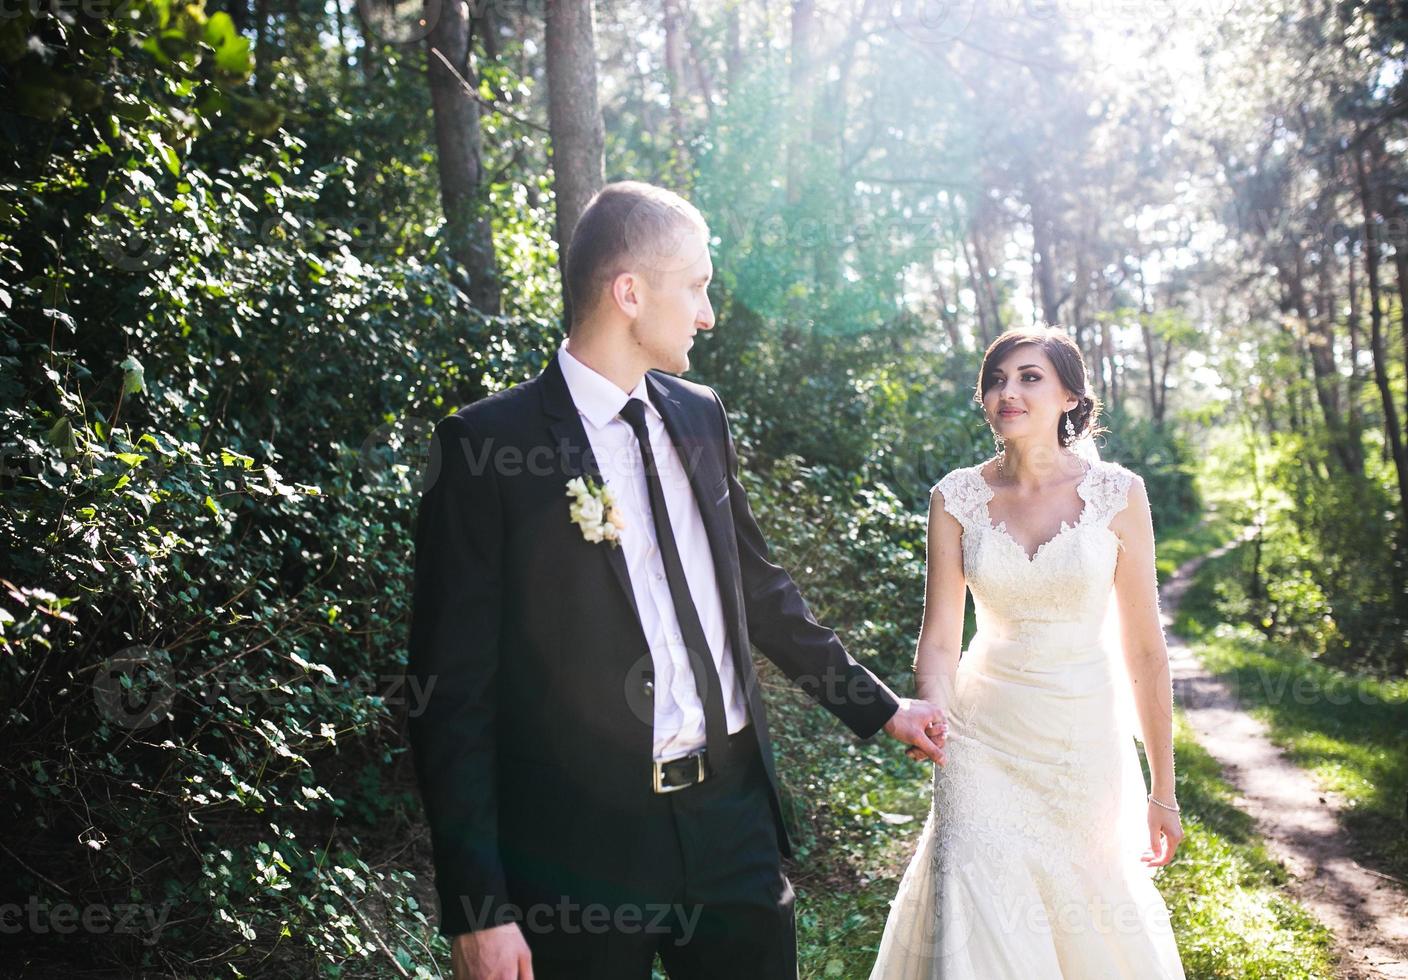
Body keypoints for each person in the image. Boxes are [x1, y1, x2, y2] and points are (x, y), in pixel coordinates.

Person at [406, 180, 947, 980]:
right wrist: (479, 908)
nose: (708, 313)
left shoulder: (700, 414)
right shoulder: (489, 447)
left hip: (732, 825)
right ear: (629, 292)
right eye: (695, 286)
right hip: (578, 851)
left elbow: (759, 590)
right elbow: (451, 697)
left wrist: (879, 705)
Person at [869, 326, 1187, 978]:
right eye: (996, 379)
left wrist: (1164, 789)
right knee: (976, 893)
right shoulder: (955, 498)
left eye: (1029, 377)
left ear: (1070, 395)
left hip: (1080, 740)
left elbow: (1146, 650)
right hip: (980, 736)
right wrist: (934, 712)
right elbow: (938, 637)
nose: (1007, 391)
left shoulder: (1118, 494)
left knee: (1084, 910)